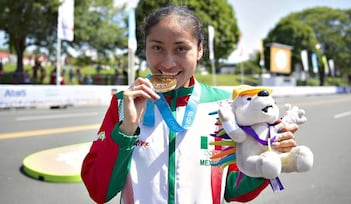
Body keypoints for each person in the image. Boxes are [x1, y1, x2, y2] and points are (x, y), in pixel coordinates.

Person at [81, 5, 298, 204]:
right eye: (156, 48)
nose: (167, 62)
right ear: (145, 48)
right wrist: (126, 131)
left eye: (180, 49)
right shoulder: (123, 102)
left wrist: (264, 155)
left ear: (200, 49)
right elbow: (99, 191)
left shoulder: (227, 107)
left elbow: (234, 190)